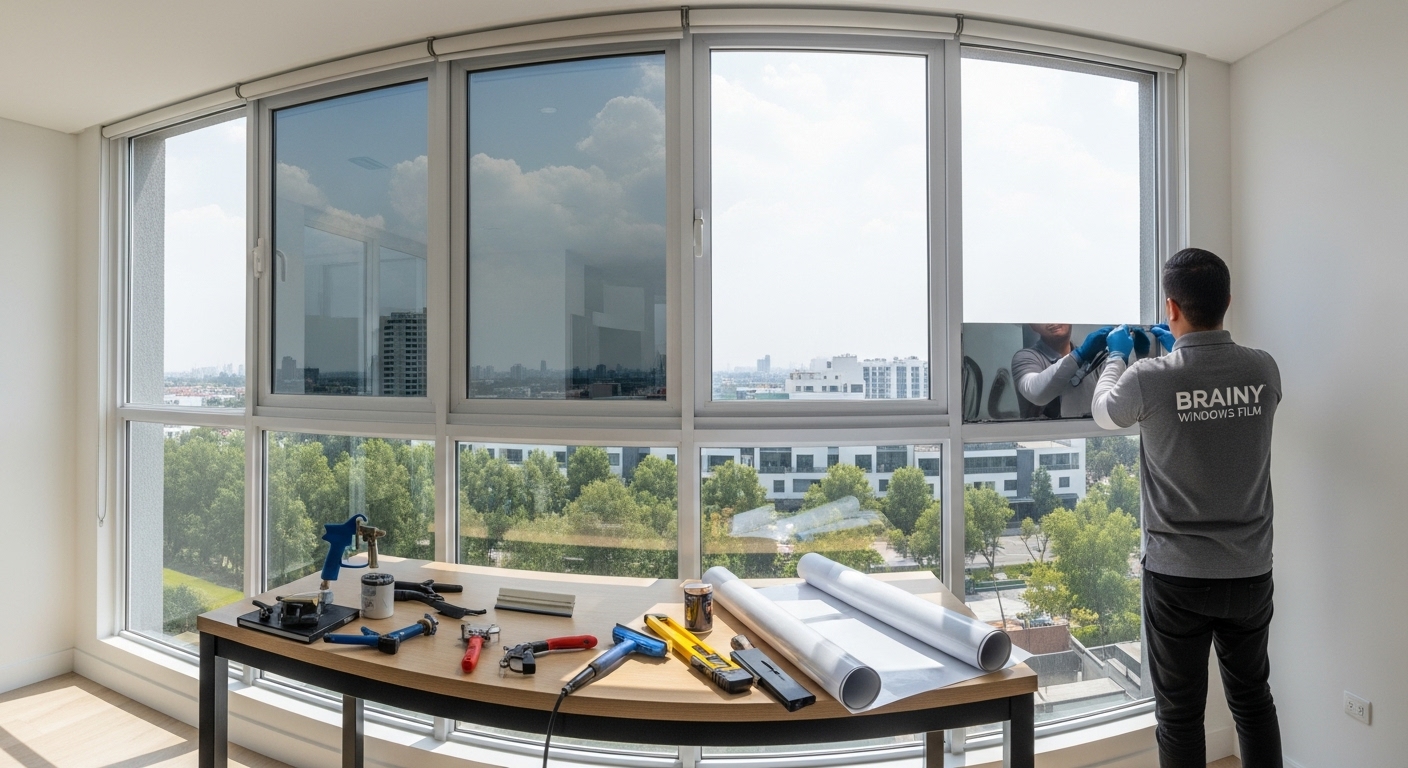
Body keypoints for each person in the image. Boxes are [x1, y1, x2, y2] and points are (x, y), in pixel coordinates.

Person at [1091, 248, 1283, 768]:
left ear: (1171, 306)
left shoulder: (1149, 377)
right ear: (1227, 301)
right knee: (1253, 699)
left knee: (1179, 715)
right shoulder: (1264, 369)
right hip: (1249, 570)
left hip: (1178, 578)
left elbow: (1106, 413)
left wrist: (1115, 358)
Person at [1010, 323, 1113, 418]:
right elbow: (1037, 394)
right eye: (1043, 316)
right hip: (1041, 436)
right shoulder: (1025, 358)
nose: (1053, 321)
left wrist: (1120, 356)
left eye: (1058, 313)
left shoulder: (1092, 358)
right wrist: (1079, 355)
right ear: (1033, 326)